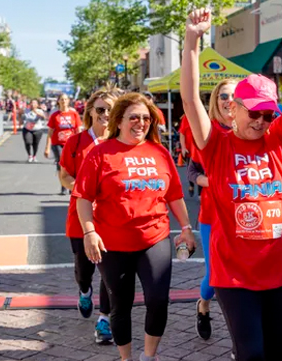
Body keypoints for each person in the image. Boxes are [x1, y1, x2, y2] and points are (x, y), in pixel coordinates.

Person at [180, 4, 282, 360]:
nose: (263, 120)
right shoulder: (215, 145)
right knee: (251, 353)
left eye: (269, 113)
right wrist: (191, 41)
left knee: (280, 353)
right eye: (255, 113)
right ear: (233, 108)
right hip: (234, 274)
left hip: (280, 271)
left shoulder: (279, 139)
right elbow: (189, 99)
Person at [74, 92, 196, 361]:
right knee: (120, 305)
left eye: (145, 118)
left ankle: (149, 356)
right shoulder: (100, 153)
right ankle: (126, 358)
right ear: (118, 121)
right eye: (134, 118)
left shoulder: (159, 152)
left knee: (158, 300)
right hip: (113, 244)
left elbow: (174, 195)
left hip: (155, 238)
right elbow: (83, 198)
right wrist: (89, 231)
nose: (141, 123)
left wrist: (186, 227)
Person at [59, 89, 121, 345]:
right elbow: (64, 175)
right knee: (84, 270)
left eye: (110, 109)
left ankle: (104, 320)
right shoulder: (76, 142)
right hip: (80, 218)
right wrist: (84, 192)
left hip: (111, 219)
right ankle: (85, 291)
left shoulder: (122, 142)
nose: (105, 114)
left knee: (110, 272)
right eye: (100, 109)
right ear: (90, 113)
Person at [186, 79, 237, 341]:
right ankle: (203, 305)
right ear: (216, 101)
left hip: (249, 218)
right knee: (216, 276)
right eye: (224, 95)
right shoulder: (207, 133)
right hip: (213, 216)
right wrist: (210, 181)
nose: (229, 100)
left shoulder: (256, 130)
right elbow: (193, 171)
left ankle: (239, 339)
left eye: (235, 95)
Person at [44, 93, 82, 195]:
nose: (63, 101)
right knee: (62, 163)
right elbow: (50, 133)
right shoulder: (54, 116)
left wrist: (81, 144)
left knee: (73, 165)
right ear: (58, 101)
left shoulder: (74, 114)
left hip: (71, 144)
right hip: (58, 143)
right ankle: (63, 186)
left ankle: (71, 185)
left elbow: (78, 130)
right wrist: (47, 148)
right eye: (61, 99)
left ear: (68, 101)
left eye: (65, 99)